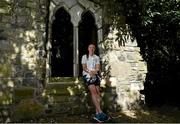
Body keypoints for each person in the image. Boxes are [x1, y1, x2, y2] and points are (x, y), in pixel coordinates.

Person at [81, 44, 110, 122]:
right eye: (90, 47)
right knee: (93, 92)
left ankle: (97, 114)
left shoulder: (96, 57)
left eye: (93, 48)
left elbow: (98, 67)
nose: (92, 49)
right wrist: (90, 72)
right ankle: (101, 112)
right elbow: (84, 67)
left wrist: (94, 71)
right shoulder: (85, 56)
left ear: (94, 49)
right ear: (88, 48)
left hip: (95, 76)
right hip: (87, 76)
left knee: (98, 93)